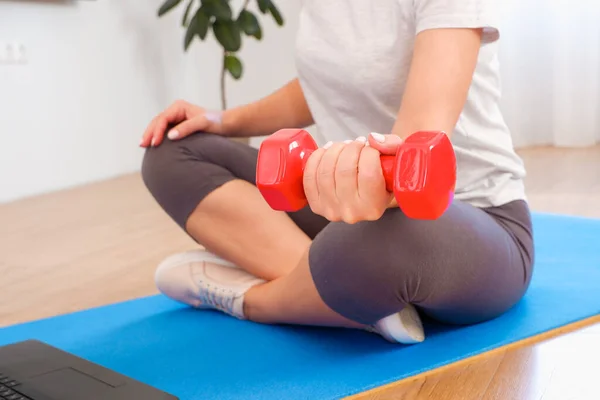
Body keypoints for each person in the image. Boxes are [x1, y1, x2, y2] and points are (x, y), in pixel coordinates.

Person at [139, 0, 534, 344]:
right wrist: (221, 120)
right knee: (171, 151)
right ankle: (349, 300)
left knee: (372, 237)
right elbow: (324, 85)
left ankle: (253, 301)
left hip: (463, 219)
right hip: (347, 206)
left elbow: (414, 158)